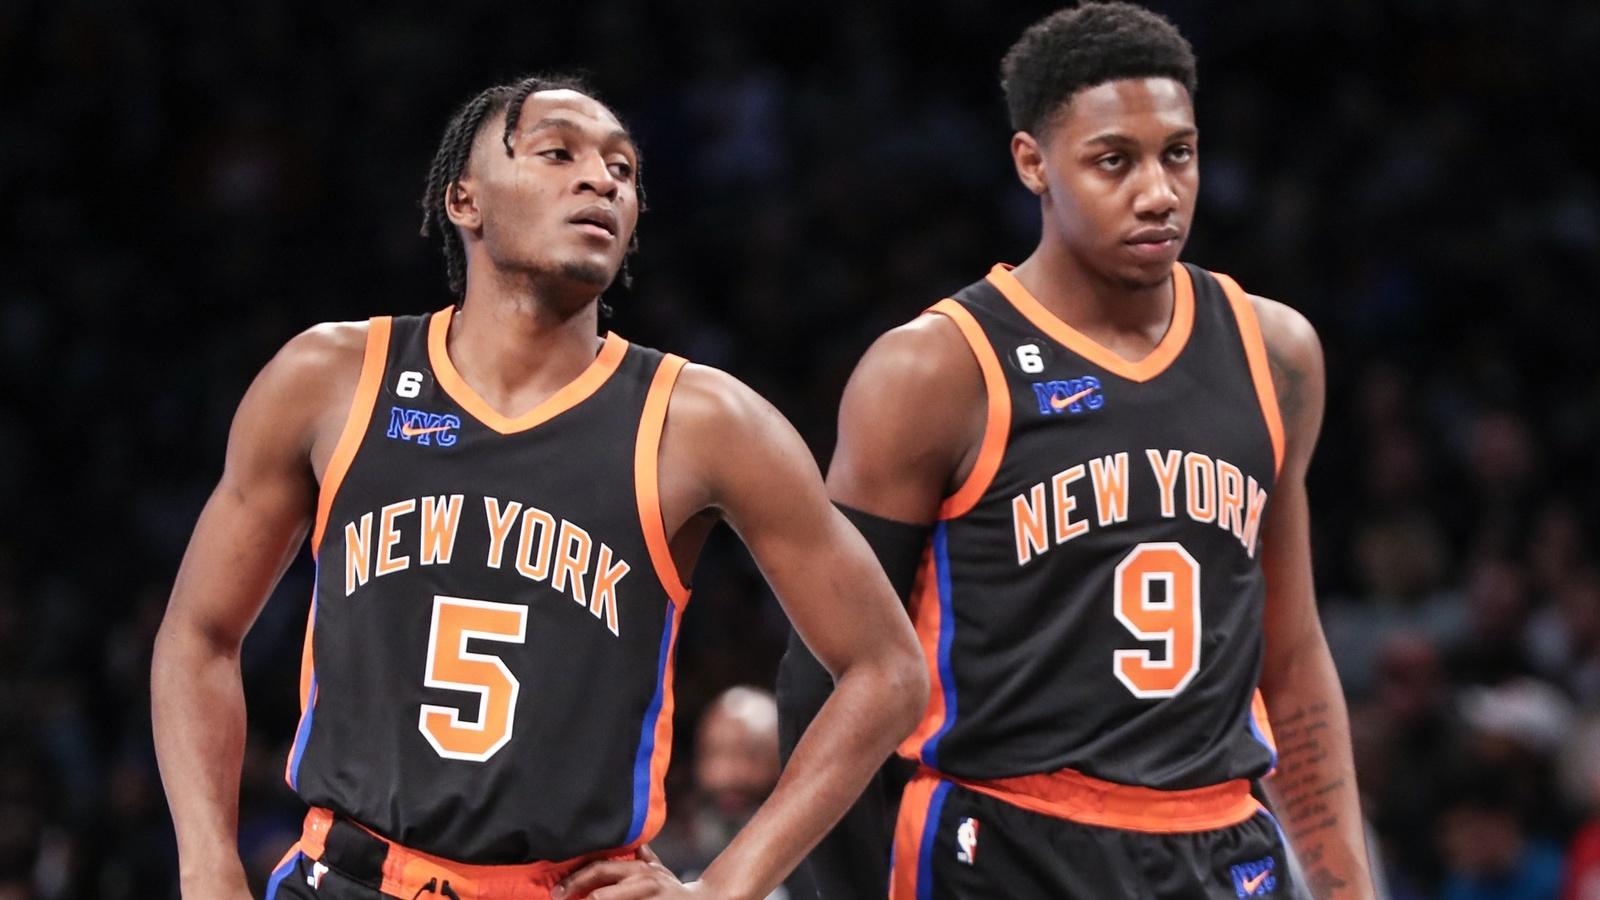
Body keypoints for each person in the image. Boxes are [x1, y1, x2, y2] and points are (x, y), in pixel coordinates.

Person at [150, 74, 926, 900]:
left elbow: (887, 671)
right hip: (345, 877)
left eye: (624, 170)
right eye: (558, 153)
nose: (602, 180)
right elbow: (199, 634)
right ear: (465, 199)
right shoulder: (333, 378)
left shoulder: (702, 421)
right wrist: (206, 864)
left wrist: (725, 885)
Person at [776, 4, 1376, 897]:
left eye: (1178, 152)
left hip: (1221, 846)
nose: (1158, 192)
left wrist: (1345, 886)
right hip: (1006, 842)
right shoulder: (935, 369)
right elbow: (823, 675)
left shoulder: (1276, 351)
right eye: (1114, 161)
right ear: (1033, 165)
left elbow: (1289, 654)